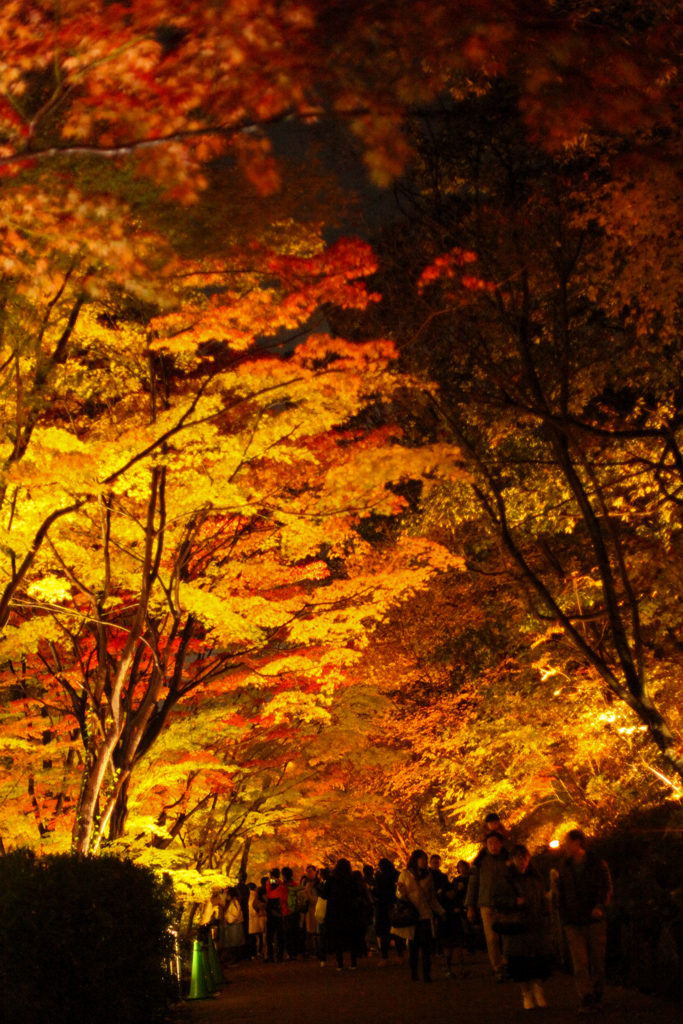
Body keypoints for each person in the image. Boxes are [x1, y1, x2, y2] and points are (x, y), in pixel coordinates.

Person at [556, 829, 612, 1014]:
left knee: (596, 959)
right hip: (573, 920)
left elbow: (605, 887)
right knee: (579, 962)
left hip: (593, 919)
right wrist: (564, 916)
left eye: (568, 842)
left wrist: (600, 906)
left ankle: (597, 995)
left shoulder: (596, 864)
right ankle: (586, 997)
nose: (565, 846)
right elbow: (561, 893)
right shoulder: (565, 867)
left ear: (578, 842)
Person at [494, 844, 553, 1009]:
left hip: (537, 925)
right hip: (517, 926)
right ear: (512, 859)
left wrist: (547, 917)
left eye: (524, 857)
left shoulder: (536, 877)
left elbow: (543, 899)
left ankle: (538, 989)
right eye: (518, 857)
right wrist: (513, 902)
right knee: (520, 964)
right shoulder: (505, 879)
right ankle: (526, 993)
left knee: (542, 961)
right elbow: (497, 900)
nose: (521, 860)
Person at [395, 848, 446, 982]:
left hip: (424, 913)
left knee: (426, 945)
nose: (425, 861)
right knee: (413, 945)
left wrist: (441, 911)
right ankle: (413, 972)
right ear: (415, 859)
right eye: (422, 858)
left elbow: (431, 897)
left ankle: (426, 974)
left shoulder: (428, 876)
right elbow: (399, 894)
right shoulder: (405, 874)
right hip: (411, 914)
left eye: (425, 859)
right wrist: (400, 890)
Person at [466, 831, 510, 981]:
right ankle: (498, 967)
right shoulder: (480, 861)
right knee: (492, 938)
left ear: (501, 843)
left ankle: (509, 964)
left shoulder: (508, 859)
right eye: (490, 843)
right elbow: (473, 884)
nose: (493, 846)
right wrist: (470, 906)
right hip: (486, 903)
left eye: (496, 842)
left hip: (505, 904)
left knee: (507, 936)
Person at [325, 858, 365, 971]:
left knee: (338, 937)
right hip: (350, 910)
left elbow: (324, 894)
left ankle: (339, 964)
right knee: (352, 937)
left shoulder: (332, 879)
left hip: (335, 911)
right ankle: (353, 963)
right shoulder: (352, 879)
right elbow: (357, 893)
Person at [373, 858, 404, 966]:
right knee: (398, 932)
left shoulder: (380, 877)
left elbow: (376, 892)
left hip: (383, 908)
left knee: (384, 934)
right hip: (396, 906)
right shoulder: (397, 875)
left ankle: (384, 957)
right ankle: (400, 955)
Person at [441, 868, 470, 979]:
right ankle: (448, 969)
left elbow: (462, 910)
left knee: (460, 950)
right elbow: (442, 913)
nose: (452, 893)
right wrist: (452, 911)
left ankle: (462, 969)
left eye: (453, 890)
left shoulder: (456, 900)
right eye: (450, 891)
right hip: (447, 928)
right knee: (448, 951)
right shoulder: (443, 901)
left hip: (457, 927)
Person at [265, 867, 286, 962]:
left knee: (270, 935)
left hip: (270, 909)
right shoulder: (281, 883)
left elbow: (269, 886)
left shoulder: (269, 882)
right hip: (279, 909)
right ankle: (280, 954)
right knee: (280, 933)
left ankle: (270, 955)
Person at [224, 886, 246, 961]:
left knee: (235, 943)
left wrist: (229, 919)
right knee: (234, 943)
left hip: (234, 925)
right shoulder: (234, 903)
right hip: (234, 925)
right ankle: (236, 958)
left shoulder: (235, 903)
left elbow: (236, 914)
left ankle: (235, 959)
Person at [248, 881, 267, 958]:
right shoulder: (257, 896)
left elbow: (253, 906)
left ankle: (256, 953)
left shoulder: (250, 897)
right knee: (263, 936)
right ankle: (262, 952)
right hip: (260, 917)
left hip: (254, 919)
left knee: (255, 937)